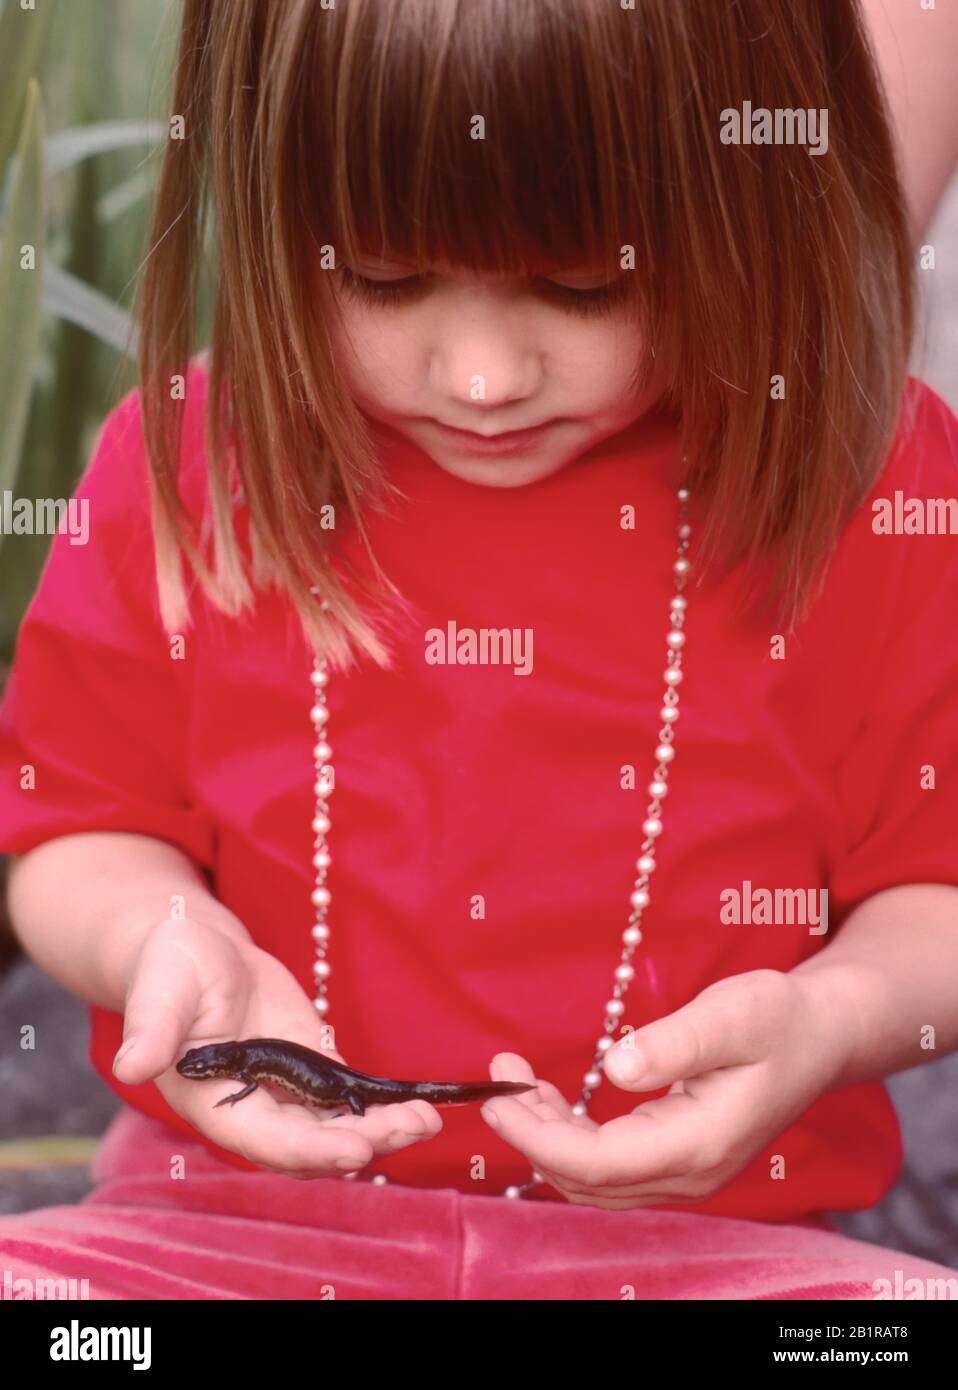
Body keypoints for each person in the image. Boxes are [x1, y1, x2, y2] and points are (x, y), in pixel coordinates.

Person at [1, 0, 957, 1300]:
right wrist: (154, 934)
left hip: (716, 1259)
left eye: (582, 283)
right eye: (384, 277)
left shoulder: (871, 482)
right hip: (215, 1236)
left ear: (753, 193)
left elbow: (934, 896)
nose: (482, 374)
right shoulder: (181, 465)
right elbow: (73, 832)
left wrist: (827, 1019)